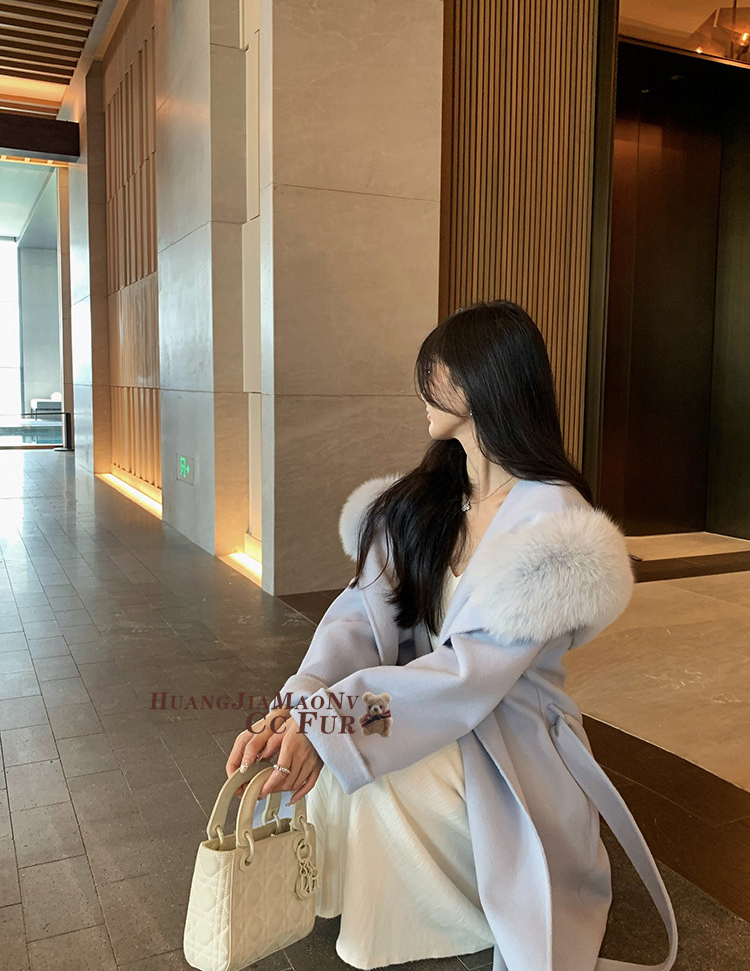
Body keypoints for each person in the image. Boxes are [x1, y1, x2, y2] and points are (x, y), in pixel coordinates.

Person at [226, 300, 679, 971]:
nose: (422, 388)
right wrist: (301, 705)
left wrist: (333, 722)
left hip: (511, 741)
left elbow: (468, 675)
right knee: (339, 756)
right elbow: (359, 617)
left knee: (372, 773)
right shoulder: (424, 502)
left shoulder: (553, 521)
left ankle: (452, 913)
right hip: (413, 712)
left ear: (484, 381)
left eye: (436, 371)